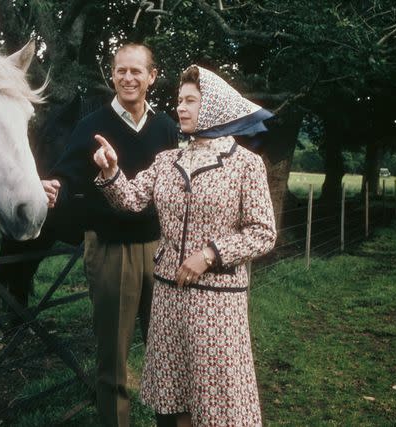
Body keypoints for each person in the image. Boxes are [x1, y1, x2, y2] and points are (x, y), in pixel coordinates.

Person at [92, 65, 277, 427]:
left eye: (191, 101)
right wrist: (111, 171)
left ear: (215, 107)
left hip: (217, 304)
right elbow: (130, 200)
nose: (181, 108)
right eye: (179, 100)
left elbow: (263, 232)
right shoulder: (167, 160)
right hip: (167, 297)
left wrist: (210, 255)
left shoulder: (245, 164)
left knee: (218, 400)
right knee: (172, 399)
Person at [42, 44, 179, 426]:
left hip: (159, 249)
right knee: (112, 357)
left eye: (137, 71)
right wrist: (53, 186)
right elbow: (66, 175)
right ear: (113, 75)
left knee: (165, 352)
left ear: (152, 77)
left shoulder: (167, 127)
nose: (128, 78)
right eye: (121, 71)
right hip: (110, 250)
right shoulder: (91, 126)